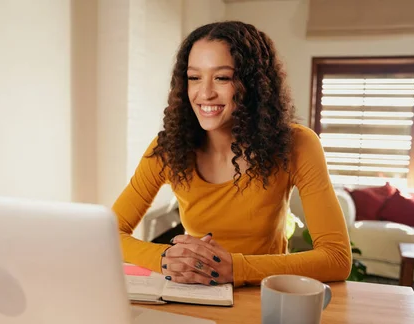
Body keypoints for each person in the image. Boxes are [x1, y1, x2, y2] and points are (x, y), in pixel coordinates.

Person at [112, 21, 351, 287]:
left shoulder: (297, 144)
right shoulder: (168, 148)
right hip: (194, 292)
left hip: (264, 294)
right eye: (194, 78)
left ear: (254, 84)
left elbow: (337, 258)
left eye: (222, 78)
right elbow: (109, 233)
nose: (205, 93)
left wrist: (237, 268)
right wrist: (166, 258)